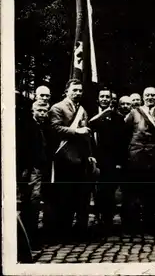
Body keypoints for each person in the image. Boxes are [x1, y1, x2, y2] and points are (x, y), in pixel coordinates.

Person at [48, 79, 95, 241]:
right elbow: (55, 128)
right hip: (64, 158)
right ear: (67, 90)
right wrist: (76, 131)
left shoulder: (82, 109)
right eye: (74, 90)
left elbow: (86, 135)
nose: (78, 93)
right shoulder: (57, 108)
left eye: (80, 90)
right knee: (65, 196)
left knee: (80, 196)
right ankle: (64, 232)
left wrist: (90, 154)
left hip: (81, 159)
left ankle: (80, 232)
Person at [123, 87, 155, 232]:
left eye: (153, 95)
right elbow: (125, 134)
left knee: (151, 190)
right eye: (147, 95)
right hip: (136, 156)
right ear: (143, 97)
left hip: (153, 156)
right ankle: (133, 223)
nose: (150, 97)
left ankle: (150, 222)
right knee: (135, 190)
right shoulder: (134, 113)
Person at [88, 87, 127, 235]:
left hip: (109, 161)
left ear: (111, 99)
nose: (104, 99)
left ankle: (107, 221)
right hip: (91, 158)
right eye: (102, 96)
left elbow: (121, 143)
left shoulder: (117, 118)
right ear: (98, 99)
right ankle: (95, 219)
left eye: (107, 97)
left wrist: (119, 162)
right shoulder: (89, 115)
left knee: (108, 191)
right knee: (93, 191)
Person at [19, 100, 51, 249]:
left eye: (45, 111)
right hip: (32, 169)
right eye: (40, 110)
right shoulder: (27, 126)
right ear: (33, 110)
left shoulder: (42, 126)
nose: (43, 114)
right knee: (32, 201)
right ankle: (29, 238)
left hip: (40, 168)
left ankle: (34, 236)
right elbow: (24, 149)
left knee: (36, 202)